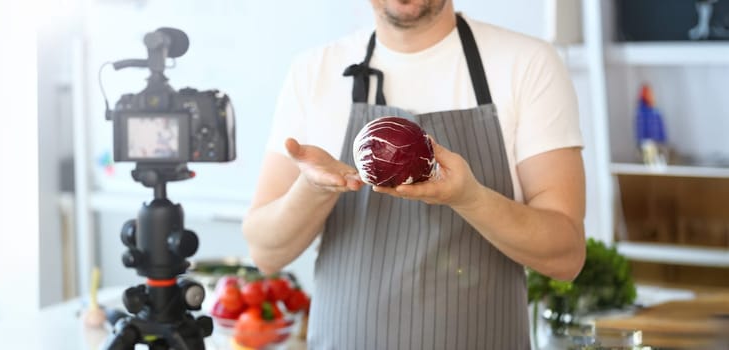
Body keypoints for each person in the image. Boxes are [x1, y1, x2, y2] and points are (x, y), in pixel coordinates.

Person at [241, 1, 586, 348]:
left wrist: (470, 199)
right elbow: (265, 252)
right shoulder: (314, 71)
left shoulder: (527, 63)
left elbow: (566, 255)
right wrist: (314, 189)